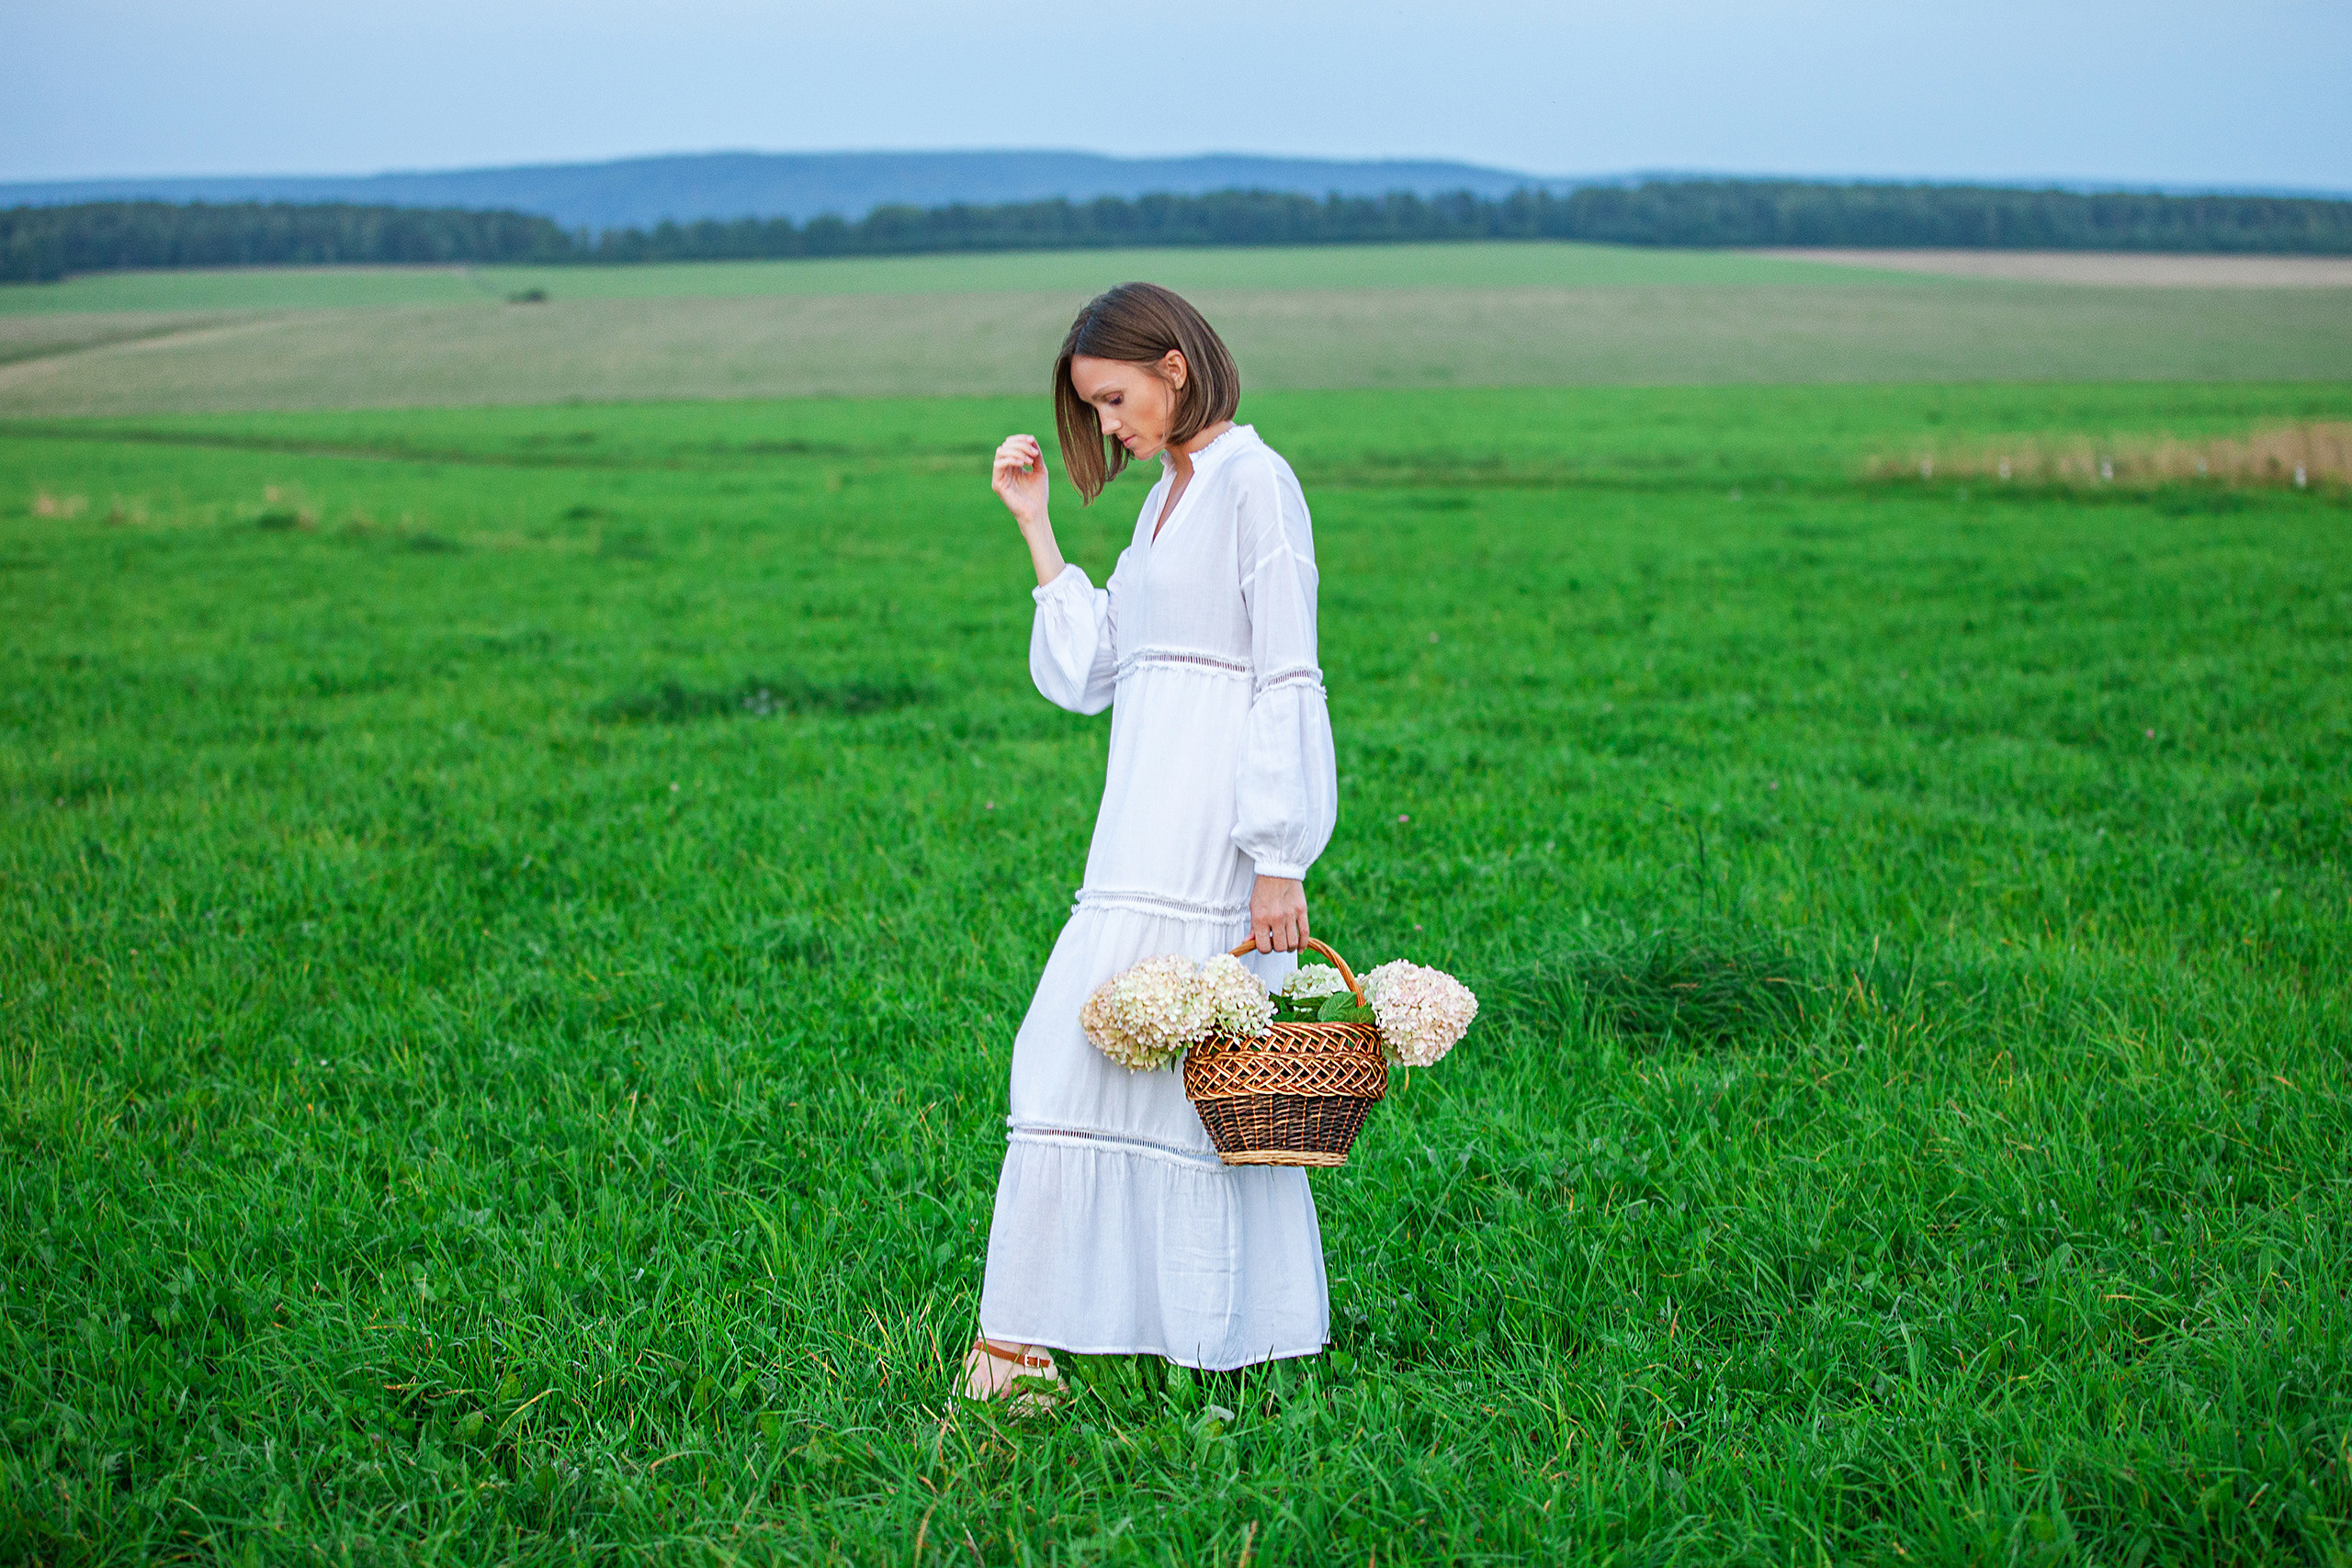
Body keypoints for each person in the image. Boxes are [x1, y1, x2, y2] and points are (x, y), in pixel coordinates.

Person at [964, 283, 1339, 1403]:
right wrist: (1034, 523)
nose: (1110, 427)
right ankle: (1045, 1349)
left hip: (1213, 842)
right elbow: (1093, 671)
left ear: (1175, 367)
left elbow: (1287, 672)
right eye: (1093, 408)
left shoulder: (1255, 485)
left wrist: (1279, 857)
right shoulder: (1165, 497)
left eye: (1115, 400)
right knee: (1076, 1060)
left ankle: (1196, 1344)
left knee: (1192, 1092)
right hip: (1135, 832)